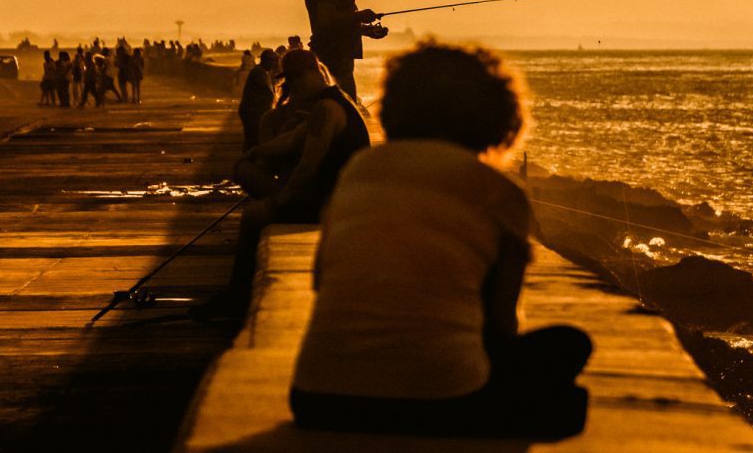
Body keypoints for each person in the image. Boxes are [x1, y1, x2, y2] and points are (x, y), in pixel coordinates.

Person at [289, 42, 590, 440]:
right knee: (570, 353)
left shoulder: (360, 170)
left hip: (317, 399)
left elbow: (320, 281)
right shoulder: (501, 194)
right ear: (495, 113)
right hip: (440, 403)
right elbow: (500, 327)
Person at [193, 49, 369, 320]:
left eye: (297, 78)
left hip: (329, 200)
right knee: (245, 168)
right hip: (331, 195)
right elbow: (292, 140)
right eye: (290, 80)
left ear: (314, 72)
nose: (293, 85)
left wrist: (283, 200)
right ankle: (237, 295)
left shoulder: (326, 109)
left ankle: (237, 299)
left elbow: (308, 166)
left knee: (254, 217)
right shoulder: (329, 102)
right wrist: (257, 153)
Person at [237, 48, 279, 150]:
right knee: (253, 139)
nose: (273, 65)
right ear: (267, 60)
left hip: (252, 110)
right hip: (251, 111)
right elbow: (267, 90)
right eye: (272, 62)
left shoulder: (262, 72)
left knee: (252, 139)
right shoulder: (259, 72)